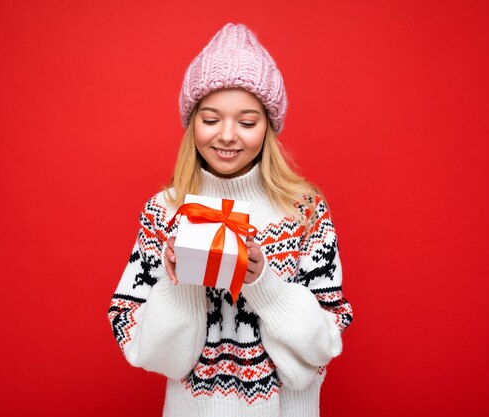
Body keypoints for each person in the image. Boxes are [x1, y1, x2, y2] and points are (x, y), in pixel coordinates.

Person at [107, 22, 353, 417]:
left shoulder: (302, 209)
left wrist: (262, 282)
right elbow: (148, 352)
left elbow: (324, 344)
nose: (226, 135)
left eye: (247, 121)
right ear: (191, 124)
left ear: (269, 127)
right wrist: (178, 285)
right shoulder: (165, 211)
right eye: (210, 119)